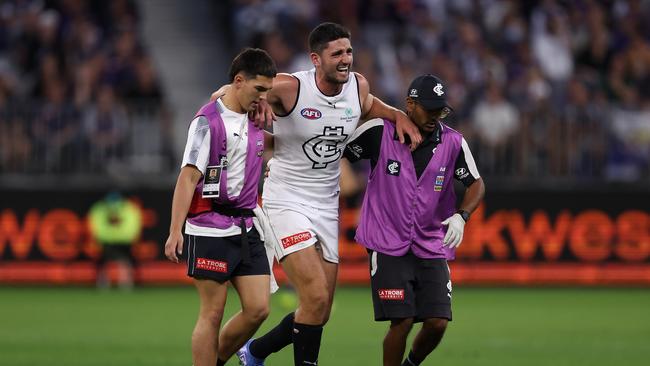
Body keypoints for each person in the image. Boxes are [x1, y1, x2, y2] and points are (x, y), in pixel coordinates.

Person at [232, 22, 423, 366]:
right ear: (316, 59)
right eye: (337, 53)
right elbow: (237, 89)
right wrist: (252, 102)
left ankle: (255, 352)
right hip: (286, 199)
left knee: (319, 311)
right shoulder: (290, 87)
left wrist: (397, 116)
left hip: (326, 204)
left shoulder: (357, 85)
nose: (346, 58)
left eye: (348, 51)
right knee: (317, 297)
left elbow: (369, 104)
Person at [342, 74, 486, 366]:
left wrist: (462, 216)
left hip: (431, 243)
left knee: (437, 322)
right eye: (429, 109)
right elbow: (336, 153)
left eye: (440, 110)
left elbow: (476, 184)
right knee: (402, 320)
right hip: (386, 241)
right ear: (410, 104)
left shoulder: (453, 142)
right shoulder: (379, 132)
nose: (435, 116)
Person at [163, 48, 277, 366]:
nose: (264, 97)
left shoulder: (258, 115)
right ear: (238, 82)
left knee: (258, 309)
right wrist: (175, 231)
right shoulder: (207, 122)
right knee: (212, 313)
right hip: (209, 225)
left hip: (247, 225)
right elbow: (187, 178)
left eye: (268, 90)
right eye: (259, 89)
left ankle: (219, 360)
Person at [89, 191, 142, 289]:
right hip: (110, 241)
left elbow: (132, 226)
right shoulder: (129, 208)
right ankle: (105, 283)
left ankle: (125, 283)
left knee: (124, 262)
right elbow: (96, 226)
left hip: (121, 241)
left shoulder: (128, 209)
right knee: (106, 263)